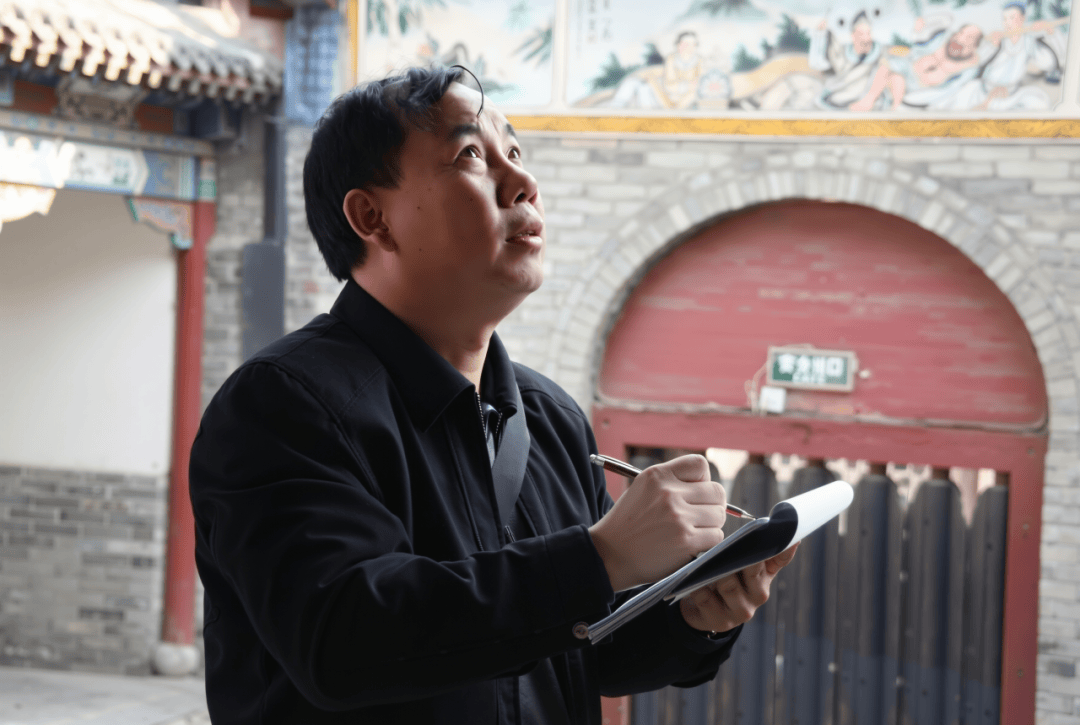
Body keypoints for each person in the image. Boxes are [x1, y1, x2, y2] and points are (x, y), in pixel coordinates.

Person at [189, 65, 796, 724]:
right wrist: (602, 557)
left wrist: (692, 614)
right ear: (374, 218)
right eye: (472, 157)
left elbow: (587, 651)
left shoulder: (550, 417)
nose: (523, 183)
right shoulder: (285, 404)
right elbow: (343, 638)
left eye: (516, 154)